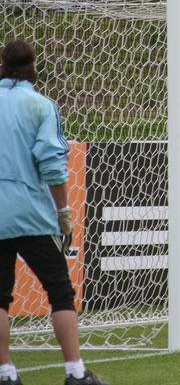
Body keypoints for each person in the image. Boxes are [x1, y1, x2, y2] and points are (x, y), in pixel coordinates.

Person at [0, 40, 108, 385]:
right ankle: (75, 372)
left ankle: (6, 373)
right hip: (31, 214)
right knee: (60, 290)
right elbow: (52, 166)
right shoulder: (40, 105)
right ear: (34, 67)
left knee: (0, 295)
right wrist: (64, 212)